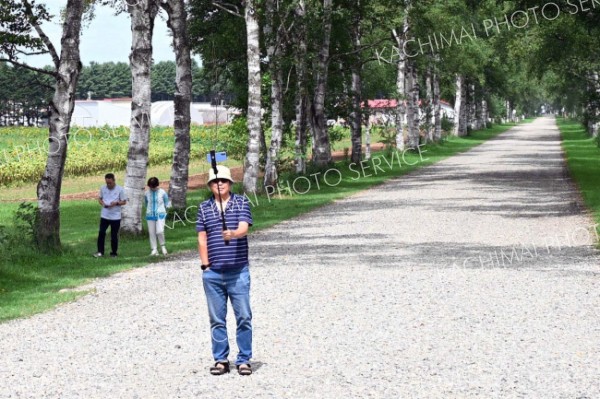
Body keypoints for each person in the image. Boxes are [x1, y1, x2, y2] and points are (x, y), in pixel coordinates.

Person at [196, 165, 254, 376]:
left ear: (230, 183)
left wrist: (234, 234)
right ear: (210, 185)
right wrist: (205, 265)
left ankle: (244, 358)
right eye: (215, 181)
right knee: (217, 319)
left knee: (244, 316)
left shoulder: (241, 202)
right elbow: (202, 237)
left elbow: (244, 227)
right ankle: (221, 359)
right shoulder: (204, 207)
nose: (219, 184)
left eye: (223, 181)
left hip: (238, 272)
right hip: (213, 274)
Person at [94, 173, 127, 258]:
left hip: (115, 216)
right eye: (107, 183)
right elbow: (100, 199)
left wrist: (116, 203)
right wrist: (103, 203)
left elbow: (124, 201)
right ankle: (100, 251)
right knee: (101, 233)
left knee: (113, 235)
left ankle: (114, 253)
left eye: (110, 183)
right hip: (105, 215)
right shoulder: (102, 188)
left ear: (114, 181)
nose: (108, 185)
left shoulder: (120, 189)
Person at [144, 177, 170, 256]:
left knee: (160, 231)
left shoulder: (162, 192)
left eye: (153, 186)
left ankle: (163, 246)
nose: (152, 188)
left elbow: (167, 203)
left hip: (160, 215)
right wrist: (149, 211)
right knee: (151, 233)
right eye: (151, 186)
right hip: (150, 215)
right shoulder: (146, 193)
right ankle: (154, 249)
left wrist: (166, 210)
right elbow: (146, 203)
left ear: (157, 185)